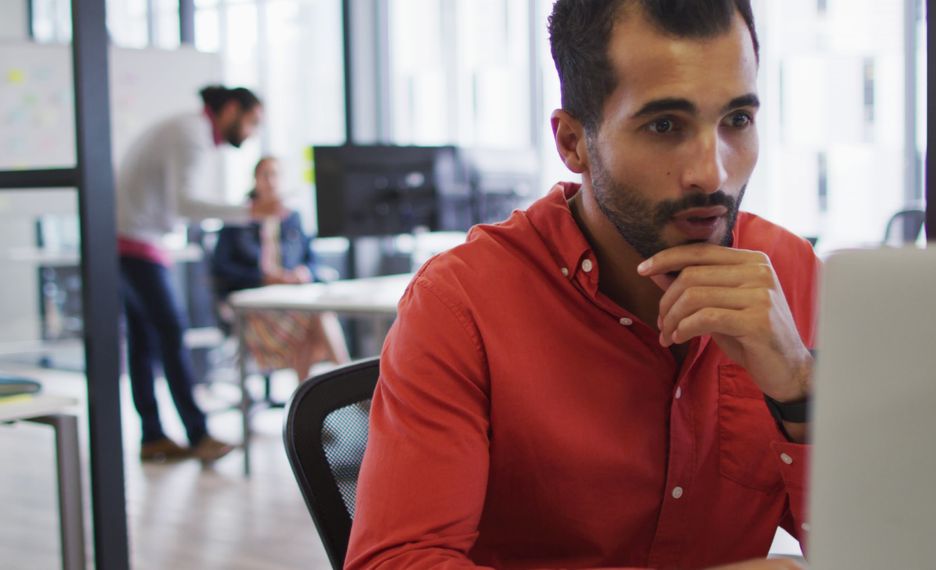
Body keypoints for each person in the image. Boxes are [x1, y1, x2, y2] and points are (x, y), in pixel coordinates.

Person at [346, 1, 817, 569]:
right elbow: (396, 562)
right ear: (573, 142)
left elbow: (886, 537)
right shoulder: (463, 304)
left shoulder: (787, 271)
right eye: (664, 125)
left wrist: (797, 388)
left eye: (736, 121)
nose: (712, 173)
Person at [116, 85, 280, 463]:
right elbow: (185, 203)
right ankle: (197, 432)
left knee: (143, 342)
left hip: (135, 241)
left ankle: (153, 436)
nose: (252, 132)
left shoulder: (185, 128)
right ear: (232, 109)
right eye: (253, 122)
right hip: (135, 242)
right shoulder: (192, 134)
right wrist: (251, 211)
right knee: (170, 332)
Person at [211, 156, 349, 383]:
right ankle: (348, 390)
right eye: (265, 175)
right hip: (254, 309)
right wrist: (265, 279)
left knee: (316, 320)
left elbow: (312, 262)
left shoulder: (292, 219)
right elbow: (222, 270)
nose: (271, 181)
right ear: (255, 180)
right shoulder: (238, 220)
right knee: (318, 321)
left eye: (276, 175)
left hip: (291, 303)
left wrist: (303, 273)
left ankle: (305, 402)